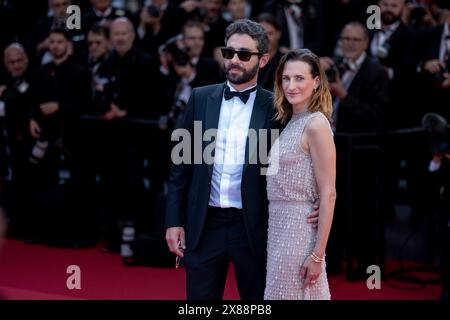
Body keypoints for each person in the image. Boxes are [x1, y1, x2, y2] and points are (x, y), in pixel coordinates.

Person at [165, 19, 319, 300]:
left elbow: (299, 161)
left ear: (263, 60)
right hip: (204, 224)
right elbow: (180, 165)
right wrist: (174, 220)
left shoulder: (276, 108)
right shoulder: (200, 99)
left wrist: (316, 200)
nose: (234, 60)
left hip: (254, 227)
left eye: (244, 54)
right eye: (229, 52)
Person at [264, 49, 336, 300]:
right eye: (286, 78)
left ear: (316, 82)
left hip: (299, 231)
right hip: (278, 227)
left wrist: (318, 255)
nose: (291, 86)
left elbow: (329, 193)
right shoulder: (291, 122)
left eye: (299, 78)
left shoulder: (316, 124)